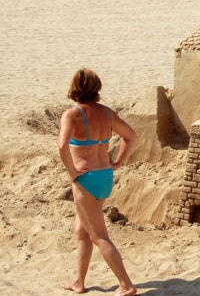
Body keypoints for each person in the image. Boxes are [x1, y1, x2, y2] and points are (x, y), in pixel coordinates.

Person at [58, 68, 137, 296]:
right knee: (82, 230)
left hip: (86, 179)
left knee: (99, 236)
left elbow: (63, 146)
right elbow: (130, 135)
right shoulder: (106, 113)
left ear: (74, 88)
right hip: (104, 176)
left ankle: (126, 285)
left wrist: (72, 172)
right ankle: (79, 281)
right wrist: (119, 161)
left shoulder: (72, 114)